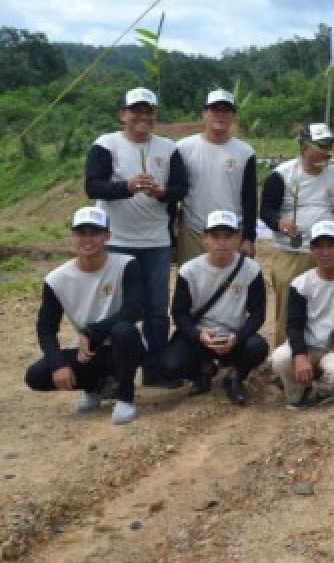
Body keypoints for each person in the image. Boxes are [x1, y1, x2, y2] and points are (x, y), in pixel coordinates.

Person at [84, 87, 188, 386]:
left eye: (148, 111)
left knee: (156, 310)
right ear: (123, 115)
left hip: (156, 241)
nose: (142, 116)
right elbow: (93, 186)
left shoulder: (168, 148)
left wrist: (163, 193)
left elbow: (181, 188)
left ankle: (155, 371)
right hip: (116, 240)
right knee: (117, 311)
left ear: (154, 114)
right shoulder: (106, 144)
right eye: (135, 110)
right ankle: (113, 373)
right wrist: (126, 187)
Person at [24, 207, 145, 425]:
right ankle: (96, 386)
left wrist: (91, 332)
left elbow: (135, 309)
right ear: (73, 236)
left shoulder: (126, 264)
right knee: (36, 375)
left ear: (107, 236)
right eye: (81, 233)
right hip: (87, 352)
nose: (88, 239)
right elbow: (46, 327)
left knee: (124, 331)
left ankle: (126, 397)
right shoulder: (56, 279)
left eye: (95, 232)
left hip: (124, 346)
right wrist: (58, 364)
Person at [161, 210, 269, 405]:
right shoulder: (189, 270)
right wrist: (198, 335)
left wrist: (238, 336)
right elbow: (179, 313)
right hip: (202, 336)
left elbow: (258, 313)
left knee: (258, 347)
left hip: (234, 335)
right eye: (215, 236)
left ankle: (235, 376)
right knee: (169, 365)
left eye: (228, 236)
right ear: (205, 239)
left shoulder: (251, 270)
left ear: (238, 238)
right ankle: (204, 369)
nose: (222, 242)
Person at [260, 123, 334, 348]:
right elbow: (266, 209)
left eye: (330, 145)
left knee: (326, 304)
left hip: (327, 251)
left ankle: (322, 354)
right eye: (321, 145)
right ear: (303, 146)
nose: (327, 151)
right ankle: (285, 356)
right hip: (293, 251)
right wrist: (279, 222)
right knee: (288, 306)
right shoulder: (282, 175)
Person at [269, 220, 334, 408]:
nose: (325, 253)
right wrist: (300, 355)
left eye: (331, 246)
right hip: (308, 345)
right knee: (280, 359)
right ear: (311, 250)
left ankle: (322, 391)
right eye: (318, 247)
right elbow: (293, 324)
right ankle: (298, 391)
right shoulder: (301, 284)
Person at [175, 89, 257, 264]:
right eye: (215, 110)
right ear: (204, 114)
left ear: (233, 116)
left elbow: (250, 197)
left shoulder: (245, 152)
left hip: (232, 232)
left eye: (226, 111)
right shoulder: (183, 148)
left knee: (229, 286)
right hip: (193, 231)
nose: (221, 115)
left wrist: (249, 237)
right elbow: (175, 191)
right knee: (192, 283)